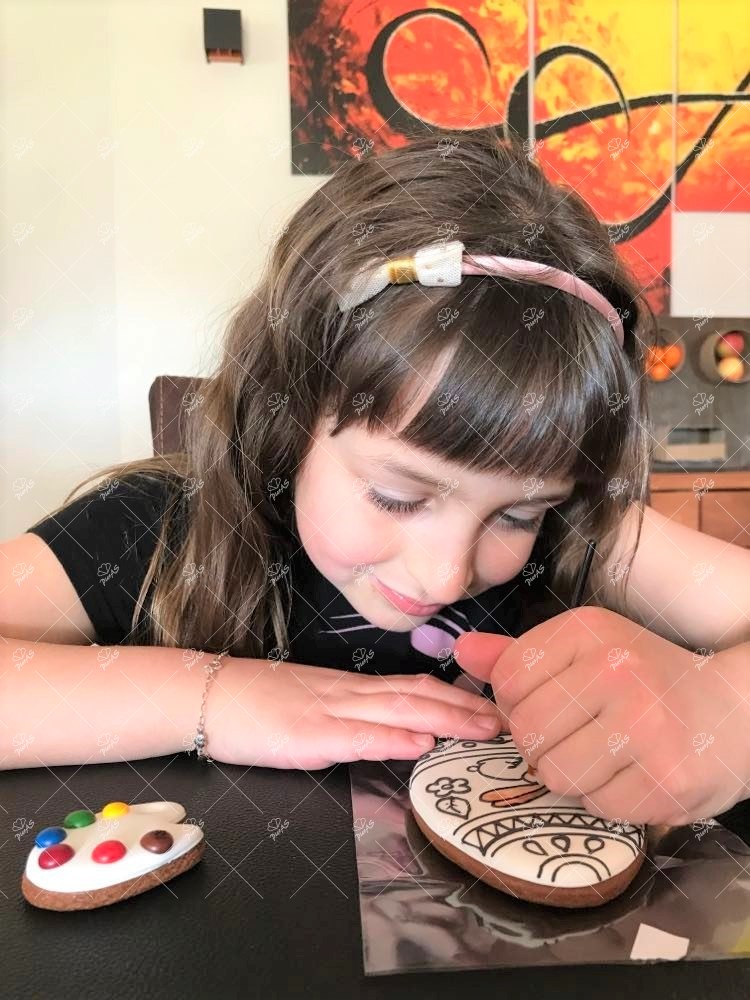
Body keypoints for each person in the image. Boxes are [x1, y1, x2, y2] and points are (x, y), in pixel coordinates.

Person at [2, 129, 748, 829]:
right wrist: (218, 695)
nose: (446, 574)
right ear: (289, 411)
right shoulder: (154, 527)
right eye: (399, 496)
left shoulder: (578, 536)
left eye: (517, 516)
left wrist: (729, 712)